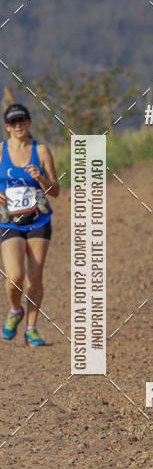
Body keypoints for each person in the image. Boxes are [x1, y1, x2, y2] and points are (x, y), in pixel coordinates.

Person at [0, 103, 60, 346]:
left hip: (39, 220)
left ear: (29, 123)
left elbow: (55, 190)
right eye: (13, 123)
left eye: (22, 121)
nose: (18, 126)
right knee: (15, 276)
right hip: (9, 220)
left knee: (35, 278)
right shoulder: (1, 151)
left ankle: (32, 329)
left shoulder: (42, 150)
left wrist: (40, 178)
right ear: (7, 127)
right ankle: (15, 311)